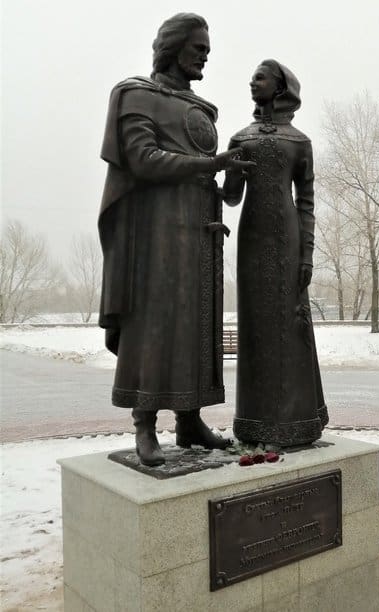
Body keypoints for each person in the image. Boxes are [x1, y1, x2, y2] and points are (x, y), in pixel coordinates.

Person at [98, 14, 253, 466]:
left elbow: (213, 183)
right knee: (155, 323)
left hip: (201, 239)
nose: (206, 53)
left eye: (208, 47)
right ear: (172, 47)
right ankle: (144, 424)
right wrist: (211, 165)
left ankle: (190, 419)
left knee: (197, 326)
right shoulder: (135, 95)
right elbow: (144, 159)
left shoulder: (202, 109)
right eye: (198, 45)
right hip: (153, 238)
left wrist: (234, 176)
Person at [222, 59, 328, 446]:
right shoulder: (241, 138)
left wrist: (307, 255)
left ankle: (296, 421)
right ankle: (254, 420)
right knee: (255, 326)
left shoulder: (299, 142)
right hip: (251, 241)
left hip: (289, 243)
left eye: (261, 77)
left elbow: (307, 201)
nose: (253, 81)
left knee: (289, 327)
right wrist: (213, 172)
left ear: (280, 86)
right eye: (251, 77)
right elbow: (231, 197)